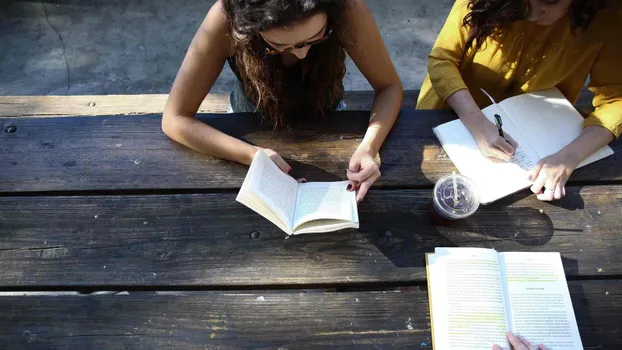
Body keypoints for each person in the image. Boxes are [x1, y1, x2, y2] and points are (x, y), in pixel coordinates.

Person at [162, 0, 403, 202]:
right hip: (248, 122)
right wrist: (251, 155)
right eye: (278, 45)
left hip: (328, 116)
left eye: (316, 37)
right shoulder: (226, 18)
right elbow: (175, 119)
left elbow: (389, 87)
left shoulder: (347, 9)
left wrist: (369, 147)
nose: (300, 53)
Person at [417, 0, 621, 201]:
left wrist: (569, 158)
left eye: (549, 3)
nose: (532, 14)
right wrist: (478, 124)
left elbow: (615, 100)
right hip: (449, 111)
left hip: (540, 139)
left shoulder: (609, 17)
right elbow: (442, 60)